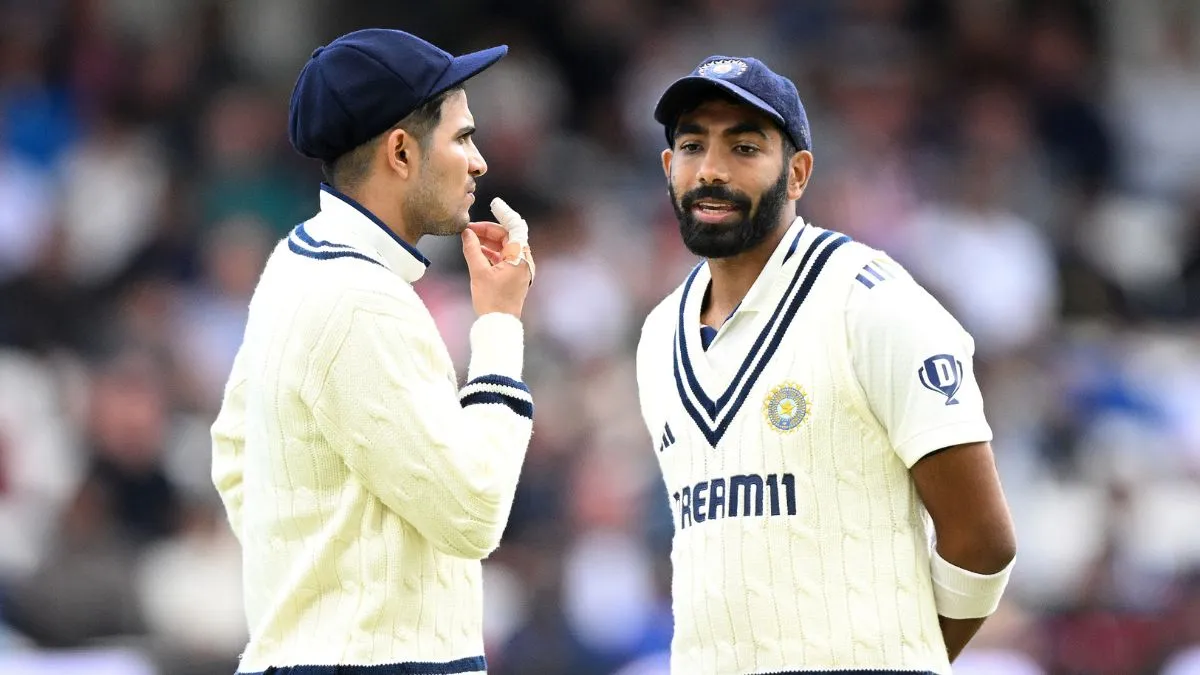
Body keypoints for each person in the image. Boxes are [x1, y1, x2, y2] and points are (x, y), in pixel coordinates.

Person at [635, 55, 1018, 675]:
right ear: (668, 167)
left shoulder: (873, 304)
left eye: (745, 147)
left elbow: (983, 541)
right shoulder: (658, 333)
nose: (711, 170)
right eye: (691, 145)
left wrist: (909, 654)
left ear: (797, 174)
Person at [210, 28, 535, 675]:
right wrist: (500, 324)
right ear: (400, 152)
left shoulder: (298, 261)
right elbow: (474, 512)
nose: (479, 163)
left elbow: (232, 452)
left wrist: (317, 578)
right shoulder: (359, 297)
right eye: (462, 137)